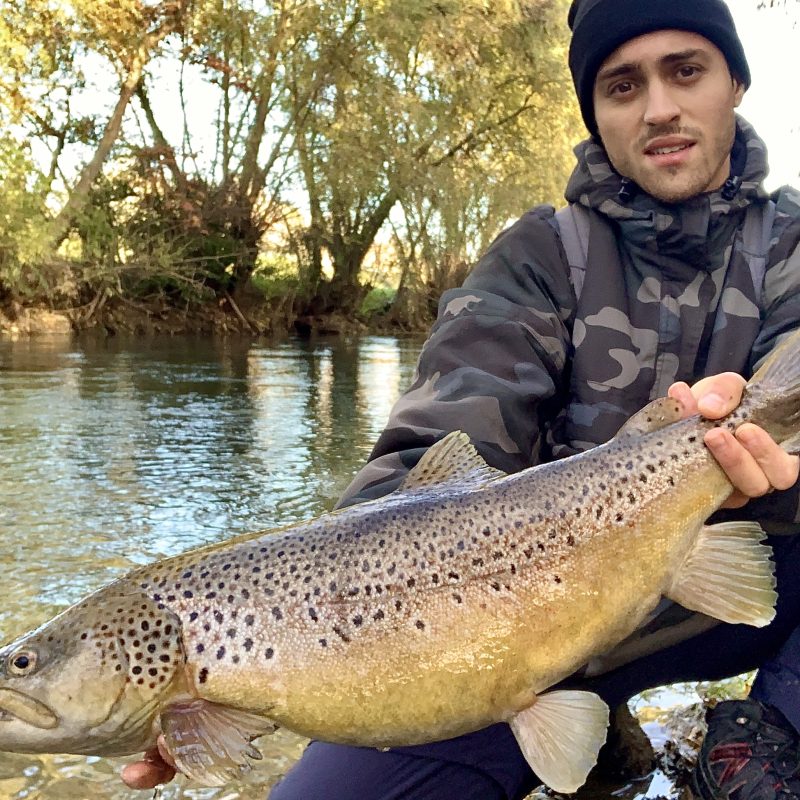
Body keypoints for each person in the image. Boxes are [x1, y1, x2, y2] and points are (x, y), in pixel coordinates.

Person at [122, 0, 800, 797]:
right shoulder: (539, 257)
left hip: (758, 580)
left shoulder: (791, 245)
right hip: (535, 620)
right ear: (595, 109)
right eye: (622, 86)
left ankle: (770, 729)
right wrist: (262, 686)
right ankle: (597, 735)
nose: (658, 108)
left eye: (686, 71)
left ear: (736, 82)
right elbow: (435, 450)